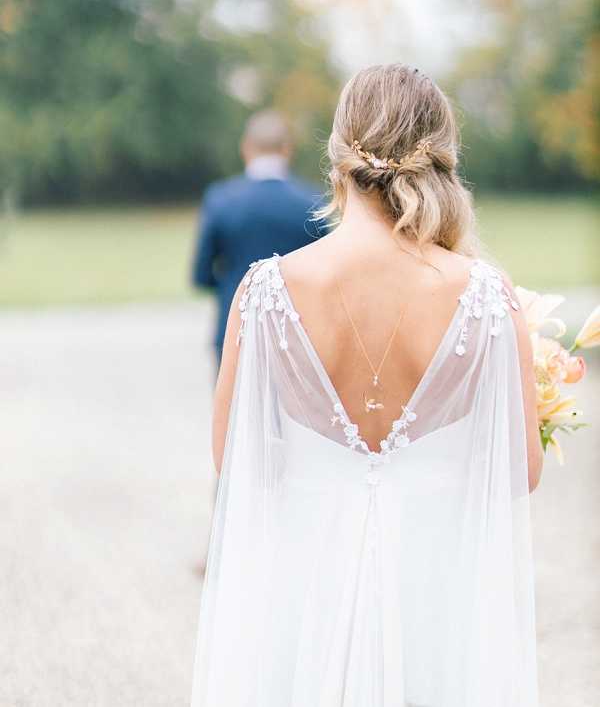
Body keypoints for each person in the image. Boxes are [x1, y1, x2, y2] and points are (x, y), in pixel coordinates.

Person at [190, 64, 543, 707]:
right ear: (442, 159)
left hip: (307, 595)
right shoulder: (488, 296)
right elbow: (521, 470)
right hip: (436, 593)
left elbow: (233, 460)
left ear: (338, 155)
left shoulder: (265, 292)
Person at [191, 109, 326, 367]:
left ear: (246, 148)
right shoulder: (311, 201)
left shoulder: (220, 200)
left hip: (236, 329)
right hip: (297, 333)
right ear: (287, 149)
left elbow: (201, 274)